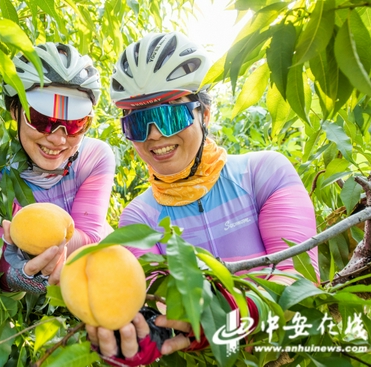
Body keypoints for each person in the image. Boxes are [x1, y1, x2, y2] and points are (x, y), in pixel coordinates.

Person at [86, 31, 319, 365]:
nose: (155, 135)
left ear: (204, 114)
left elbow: (297, 278)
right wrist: (138, 337)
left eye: (170, 116)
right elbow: (155, 303)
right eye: (137, 123)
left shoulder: (264, 173)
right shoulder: (138, 219)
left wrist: (220, 315)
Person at [0, 42, 115, 295]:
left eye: (76, 124)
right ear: (15, 110)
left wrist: (16, 217)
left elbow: (90, 239)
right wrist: (12, 281)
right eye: (42, 120)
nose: (58, 139)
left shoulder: (94, 156)